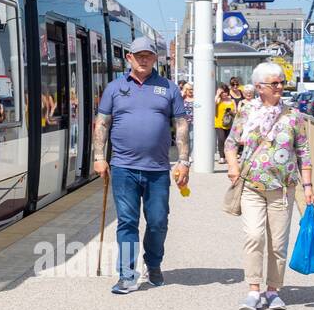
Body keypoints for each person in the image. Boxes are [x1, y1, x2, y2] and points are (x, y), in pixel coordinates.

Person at [94, 36, 190, 293]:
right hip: (123, 167)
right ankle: (126, 274)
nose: (144, 59)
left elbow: (181, 125)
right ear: (129, 58)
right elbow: (102, 123)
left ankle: (154, 263)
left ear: (154, 58)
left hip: (158, 169)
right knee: (127, 221)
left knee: (158, 221)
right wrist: (99, 157)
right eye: (139, 55)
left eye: (148, 55)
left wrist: (183, 161)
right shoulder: (114, 88)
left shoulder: (169, 88)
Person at [225, 61, 313, 310]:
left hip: (283, 188)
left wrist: (307, 185)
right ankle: (253, 290)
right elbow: (231, 144)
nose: (280, 87)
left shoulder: (293, 115)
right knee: (254, 235)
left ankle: (273, 290)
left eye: (282, 82)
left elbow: (303, 152)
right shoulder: (247, 112)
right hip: (251, 185)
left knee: (278, 243)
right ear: (259, 86)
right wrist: (233, 167)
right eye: (274, 83)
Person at [213, 84, 236, 163]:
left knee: (228, 140)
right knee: (221, 139)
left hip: (229, 124)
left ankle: (227, 156)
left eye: (225, 92)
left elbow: (235, 112)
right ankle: (222, 157)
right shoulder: (218, 100)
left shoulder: (232, 101)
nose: (224, 94)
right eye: (222, 92)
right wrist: (217, 94)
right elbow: (212, 104)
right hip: (219, 123)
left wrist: (231, 112)